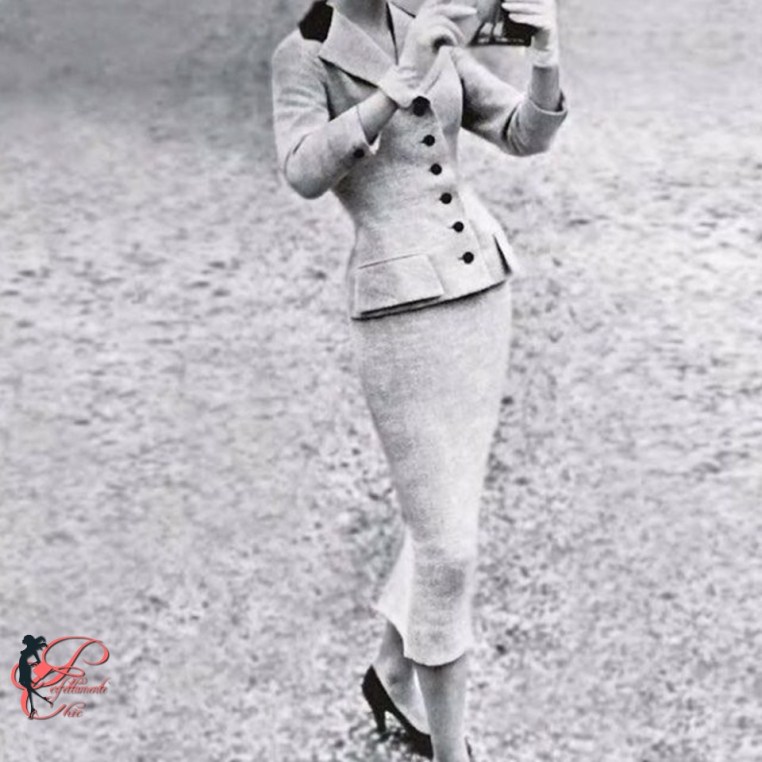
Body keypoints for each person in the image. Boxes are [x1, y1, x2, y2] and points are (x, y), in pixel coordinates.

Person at [271, 0, 567, 759]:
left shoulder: (423, 24)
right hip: (400, 315)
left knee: (447, 513)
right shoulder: (304, 54)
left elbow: (524, 133)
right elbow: (303, 170)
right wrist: (393, 88)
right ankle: (451, 752)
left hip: (481, 295)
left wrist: (544, 53)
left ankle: (393, 674)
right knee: (449, 549)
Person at [18, 634, 53, 718]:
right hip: (23, 667)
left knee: (28, 687)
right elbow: (37, 660)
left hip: (24, 667)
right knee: (26, 686)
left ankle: (33, 707)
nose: (25, 641)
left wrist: (32, 664)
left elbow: (38, 661)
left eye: (26, 640)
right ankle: (42, 699)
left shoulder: (32, 649)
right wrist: (31, 664)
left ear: (28, 641)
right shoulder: (31, 648)